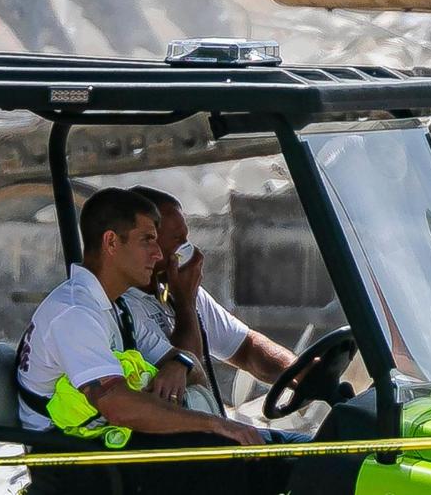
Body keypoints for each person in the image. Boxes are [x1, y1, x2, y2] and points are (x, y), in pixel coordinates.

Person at [16, 187, 286, 495]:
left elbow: (191, 366)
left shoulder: (115, 307)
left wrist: (179, 364)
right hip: (72, 462)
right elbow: (118, 405)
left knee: (270, 454)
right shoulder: (75, 313)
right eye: (147, 240)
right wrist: (216, 424)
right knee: (231, 453)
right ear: (111, 242)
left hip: (108, 444)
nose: (158, 254)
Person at [123, 186, 297, 408]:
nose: (188, 249)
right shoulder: (126, 306)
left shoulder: (174, 289)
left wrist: (300, 373)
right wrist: (186, 302)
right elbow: (188, 372)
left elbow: (246, 348)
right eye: (177, 239)